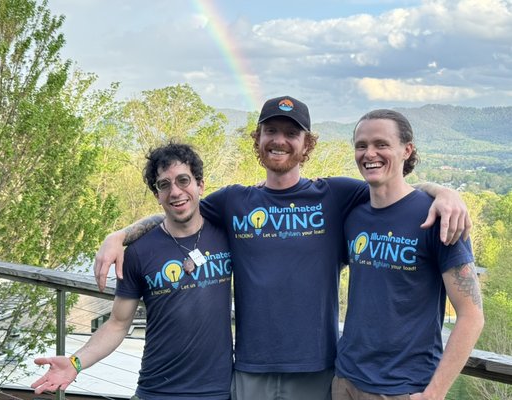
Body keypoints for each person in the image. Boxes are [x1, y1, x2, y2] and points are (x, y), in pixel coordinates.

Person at [93, 96, 471, 400]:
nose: (279, 139)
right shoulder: (232, 202)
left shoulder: (338, 195)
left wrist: (444, 192)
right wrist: (120, 235)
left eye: (291, 133)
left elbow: (393, 190)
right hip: (249, 369)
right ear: (257, 140)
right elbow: (177, 210)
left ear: (307, 144)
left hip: (319, 369)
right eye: (270, 130)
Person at [31, 143, 233, 400]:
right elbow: (117, 323)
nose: (176, 191)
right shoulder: (139, 252)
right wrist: (75, 362)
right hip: (156, 391)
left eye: (184, 180)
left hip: (218, 392)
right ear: (157, 194)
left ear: (200, 185)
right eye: (164, 185)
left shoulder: (226, 233)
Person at [333, 109, 484, 400]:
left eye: (381, 144)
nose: (369, 153)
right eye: (361, 145)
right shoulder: (353, 215)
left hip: (404, 388)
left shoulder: (439, 218)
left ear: (407, 149)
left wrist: (434, 393)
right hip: (345, 381)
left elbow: (471, 315)